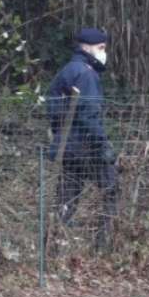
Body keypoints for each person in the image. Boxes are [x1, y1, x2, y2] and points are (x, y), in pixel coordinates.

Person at [47, 27, 118, 250]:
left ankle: (52, 244)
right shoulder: (86, 73)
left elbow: (54, 110)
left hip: (67, 147)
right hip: (86, 146)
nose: (103, 52)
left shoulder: (69, 69)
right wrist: (103, 144)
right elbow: (89, 113)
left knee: (67, 197)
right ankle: (103, 244)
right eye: (101, 48)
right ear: (86, 47)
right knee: (112, 189)